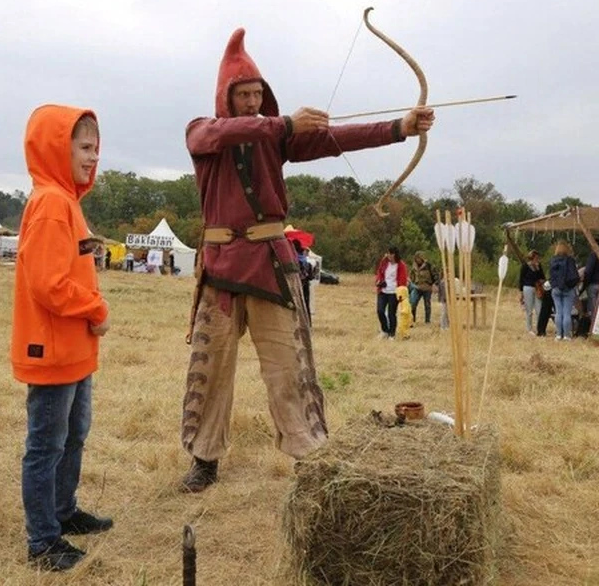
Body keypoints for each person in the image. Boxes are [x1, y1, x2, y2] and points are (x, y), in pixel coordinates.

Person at [179, 28, 435, 493]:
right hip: (219, 268)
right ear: (226, 98)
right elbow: (214, 134)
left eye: (258, 94)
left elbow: (338, 139)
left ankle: (309, 456)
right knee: (211, 366)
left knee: (289, 366)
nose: (253, 102)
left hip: (269, 264)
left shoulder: (276, 137)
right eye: (244, 95)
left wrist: (399, 129)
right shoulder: (205, 130)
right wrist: (284, 124)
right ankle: (205, 458)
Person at [11, 105, 114, 571]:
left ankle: (63, 510)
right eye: (85, 147)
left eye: (96, 148)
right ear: (58, 148)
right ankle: (43, 541)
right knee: (47, 445)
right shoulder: (52, 203)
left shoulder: (66, 202)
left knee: (73, 436)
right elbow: (48, 284)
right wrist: (96, 307)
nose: (94, 157)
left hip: (75, 351)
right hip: (53, 352)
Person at [548, 241, 580, 340]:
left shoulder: (553, 260)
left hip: (556, 289)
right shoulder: (570, 260)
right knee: (567, 313)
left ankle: (558, 334)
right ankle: (566, 335)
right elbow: (574, 275)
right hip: (568, 289)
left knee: (558, 312)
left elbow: (551, 275)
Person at [375, 247, 409, 339]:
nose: (389, 255)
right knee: (380, 310)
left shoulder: (401, 265)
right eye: (388, 253)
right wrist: (378, 281)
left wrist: (401, 292)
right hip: (383, 290)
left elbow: (403, 279)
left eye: (391, 253)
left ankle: (392, 334)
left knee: (391, 313)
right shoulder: (384, 262)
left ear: (395, 254)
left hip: (394, 292)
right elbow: (379, 272)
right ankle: (385, 330)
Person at [519, 249, 545, 335]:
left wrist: (540, 275)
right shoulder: (525, 266)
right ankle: (529, 328)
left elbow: (542, 277)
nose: (538, 259)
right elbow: (521, 279)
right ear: (532, 257)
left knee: (539, 309)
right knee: (529, 309)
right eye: (536, 257)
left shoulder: (539, 266)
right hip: (528, 288)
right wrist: (521, 292)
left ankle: (539, 328)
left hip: (537, 288)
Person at [408, 250, 435, 325]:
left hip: (427, 287)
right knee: (413, 303)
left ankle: (427, 320)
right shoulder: (414, 267)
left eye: (419, 258)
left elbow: (435, 275)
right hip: (417, 287)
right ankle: (412, 320)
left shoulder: (428, 265)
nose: (417, 260)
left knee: (427, 304)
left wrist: (435, 285)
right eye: (416, 258)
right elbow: (411, 277)